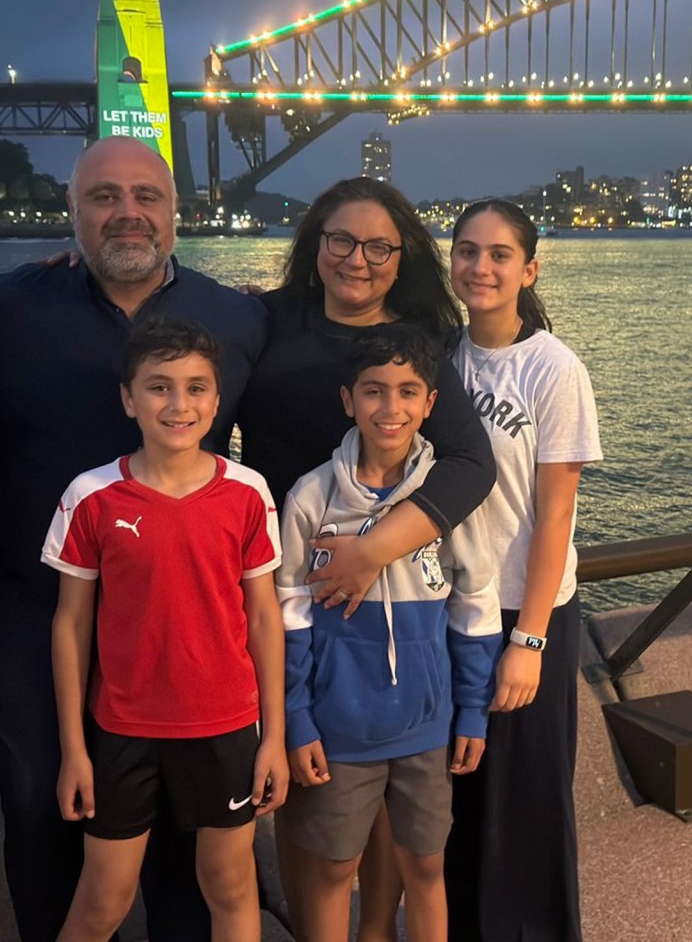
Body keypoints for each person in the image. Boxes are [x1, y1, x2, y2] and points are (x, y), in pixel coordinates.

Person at [0, 136, 267, 942]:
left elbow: (294, 428)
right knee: (38, 803)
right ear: (74, 213)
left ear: (176, 212)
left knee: (182, 832)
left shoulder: (237, 316)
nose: (127, 213)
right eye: (103, 198)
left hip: (179, 623)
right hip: (39, 613)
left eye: (146, 196)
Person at [234, 177, 497, 934]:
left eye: (379, 245)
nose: (358, 258)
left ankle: (377, 930)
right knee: (318, 819)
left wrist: (372, 552)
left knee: (400, 831)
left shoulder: (414, 342)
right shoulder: (266, 319)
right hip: (288, 576)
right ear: (315, 244)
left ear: (401, 254)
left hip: (385, 584)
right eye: (341, 240)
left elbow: (470, 464)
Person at [42, 317, 287, 942]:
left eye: (197, 388)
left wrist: (273, 739)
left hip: (227, 726)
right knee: (103, 898)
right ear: (129, 398)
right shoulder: (91, 496)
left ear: (216, 400)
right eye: (158, 387)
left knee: (231, 886)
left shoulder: (247, 493)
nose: (179, 404)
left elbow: (264, 618)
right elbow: (70, 625)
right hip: (124, 729)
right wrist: (74, 748)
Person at [277, 327, 501, 942]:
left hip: (428, 725)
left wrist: (473, 714)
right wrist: (298, 718)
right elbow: (289, 616)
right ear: (348, 399)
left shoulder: (444, 501)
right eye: (374, 391)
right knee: (333, 869)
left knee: (426, 865)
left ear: (431, 403)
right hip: (338, 727)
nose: (391, 408)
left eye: (407, 392)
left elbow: (475, 606)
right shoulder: (311, 498)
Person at [442, 200, 601, 942]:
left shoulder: (552, 367)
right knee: (459, 801)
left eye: (500, 254)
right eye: (468, 251)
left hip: (523, 613)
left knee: (528, 805)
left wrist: (529, 639)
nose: (482, 267)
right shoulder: (441, 356)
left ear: (528, 270)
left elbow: (555, 515)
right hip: (450, 609)